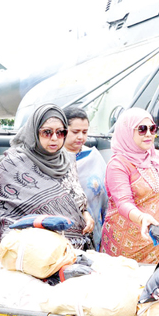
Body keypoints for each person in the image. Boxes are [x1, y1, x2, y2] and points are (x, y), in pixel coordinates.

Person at [0, 104, 95, 249]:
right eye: (47, 132)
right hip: (34, 252)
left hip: (73, 250)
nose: (55, 138)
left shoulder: (67, 160)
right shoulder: (14, 163)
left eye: (61, 132)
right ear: (34, 132)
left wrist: (85, 214)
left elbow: (75, 200)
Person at [101, 107, 159, 263]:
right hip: (127, 246)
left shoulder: (154, 157)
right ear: (127, 132)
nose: (149, 134)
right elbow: (123, 203)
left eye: (152, 128)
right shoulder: (118, 164)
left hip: (157, 241)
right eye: (142, 129)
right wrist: (142, 218)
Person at [63, 106, 108, 251]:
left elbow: (107, 195)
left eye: (85, 132)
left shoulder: (94, 157)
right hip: (64, 232)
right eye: (75, 132)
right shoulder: (54, 160)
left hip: (95, 230)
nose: (81, 137)